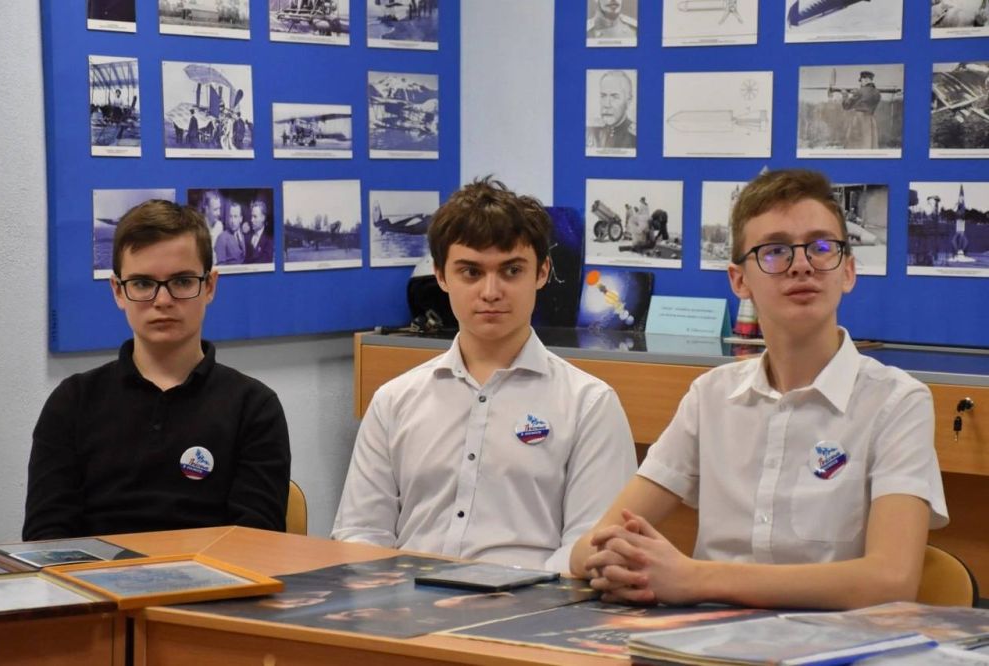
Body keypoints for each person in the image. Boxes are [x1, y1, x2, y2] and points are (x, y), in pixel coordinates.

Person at [570, 169, 948, 609]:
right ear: (739, 281)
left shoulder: (897, 402)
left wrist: (697, 578)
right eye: (775, 251)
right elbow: (589, 549)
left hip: (834, 640)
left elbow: (891, 581)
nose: (802, 264)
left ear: (848, 271)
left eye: (821, 247)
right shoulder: (710, 397)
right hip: (703, 639)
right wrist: (616, 559)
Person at [332, 178, 636, 572]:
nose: (491, 291)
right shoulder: (394, 401)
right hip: (406, 599)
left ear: (542, 272)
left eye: (511, 270)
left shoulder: (589, 405)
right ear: (441, 276)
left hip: (534, 603)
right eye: (471, 272)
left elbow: (590, 548)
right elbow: (360, 533)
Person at [23, 200, 291, 539]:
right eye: (142, 283)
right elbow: (45, 543)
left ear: (209, 286)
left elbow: (256, 545)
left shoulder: (254, 408)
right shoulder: (72, 403)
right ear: (118, 291)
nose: (162, 300)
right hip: (98, 574)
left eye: (182, 281)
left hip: (214, 575)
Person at [586, 70, 636, 150]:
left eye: (615, 97)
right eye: (603, 96)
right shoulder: (591, 132)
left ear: (628, 101)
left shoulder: (635, 137)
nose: (607, 104)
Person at [841, 71, 881, 150]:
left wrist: (845, 95)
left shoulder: (860, 91)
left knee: (854, 146)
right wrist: (856, 93)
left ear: (866, 79)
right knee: (869, 145)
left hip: (859, 121)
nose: (860, 83)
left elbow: (846, 106)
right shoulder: (877, 93)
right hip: (870, 121)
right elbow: (865, 97)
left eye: (861, 80)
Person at [245, 200, 273, 264]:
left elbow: (265, 262)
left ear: (263, 218)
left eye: (255, 217)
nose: (252, 220)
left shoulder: (269, 238)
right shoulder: (247, 237)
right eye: (251, 216)